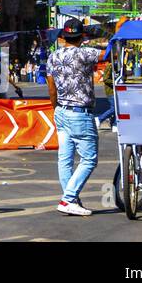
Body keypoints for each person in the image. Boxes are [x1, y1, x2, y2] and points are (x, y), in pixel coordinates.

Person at [46, 20, 102, 216]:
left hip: (61, 111)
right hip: (80, 112)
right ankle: (68, 199)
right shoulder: (85, 53)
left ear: (63, 36)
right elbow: (110, 52)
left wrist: (57, 108)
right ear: (82, 36)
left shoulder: (53, 56)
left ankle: (71, 200)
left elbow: (51, 87)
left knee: (65, 159)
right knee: (89, 159)